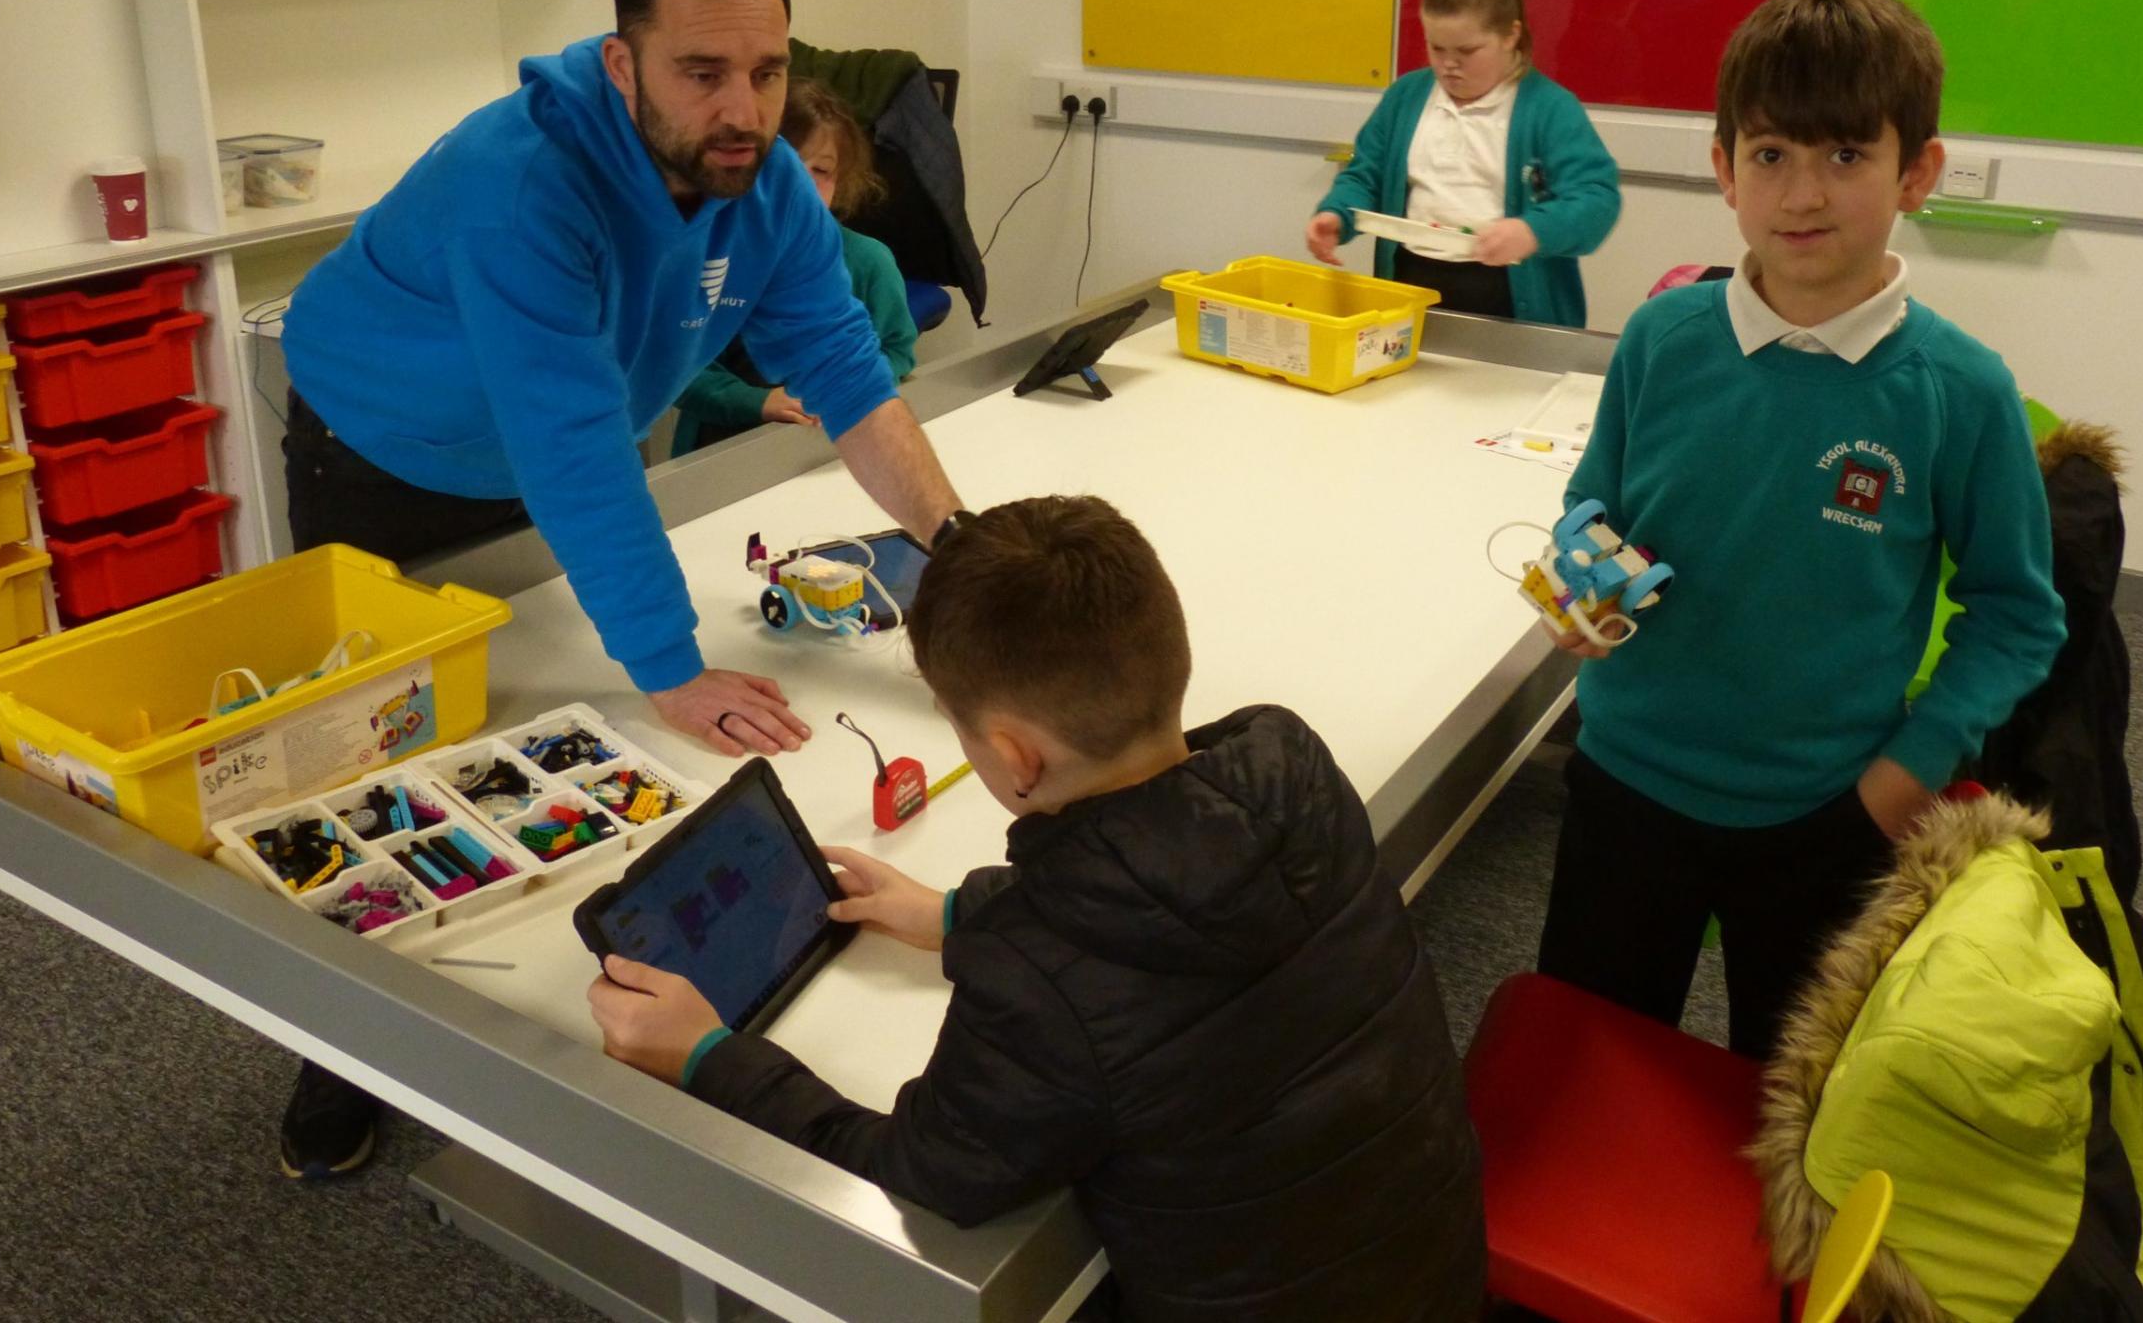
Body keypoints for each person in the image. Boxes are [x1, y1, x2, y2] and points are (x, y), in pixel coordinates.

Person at [275, 0, 975, 1179]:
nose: (745, 110)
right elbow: (575, 445)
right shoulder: (522, 184)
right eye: (702, 71)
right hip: (388, 457)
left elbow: (849, 372)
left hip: (547, 446)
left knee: (555, 756)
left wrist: (964, 554)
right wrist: (667, 662)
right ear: (622, 61)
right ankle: (338, 1055)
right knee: (374, 765)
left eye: (766, 72)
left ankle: (536, 1005)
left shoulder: (760, 183)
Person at [588, 496, 1485, 1323]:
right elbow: (1165, 858)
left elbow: (923, 1174)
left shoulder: (1036, 980)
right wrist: (951, 913)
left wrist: (708, 1057)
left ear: (1015, 757)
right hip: (1428, 1270)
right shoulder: (1289, 766)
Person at [1534, 0, 2066, 1062]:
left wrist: (1901, 779)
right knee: (1591, 1072)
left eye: (1845, 156)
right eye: (1771, 155)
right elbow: (1594, 503)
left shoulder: (1960, 391)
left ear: (1916, 170)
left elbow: (2016, 615)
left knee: (1783, 1111)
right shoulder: (1662, 337)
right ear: (1724, 167)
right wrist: (1580, 573)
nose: (1803, 194)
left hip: (1826, 815)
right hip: (1626, 781)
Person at [1307, 0, 1619, 325]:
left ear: (1510, 36)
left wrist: (1532, 230)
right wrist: (1336, 214)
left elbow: (1596, 199)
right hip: (1411, 290)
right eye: (1436, 48)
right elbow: (1365, 175)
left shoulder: (1550, 108)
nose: (1449, 65)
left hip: (1511, 306)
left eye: (1467, 51)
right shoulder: (1406, 97)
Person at [670, 78, 917, 454]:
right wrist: (759, 402)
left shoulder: (869, 262)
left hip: (828, 445)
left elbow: (898, 350)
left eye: (821, 171)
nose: (801, 185)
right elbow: (681, 373)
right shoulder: (705, 259)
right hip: (722, 448)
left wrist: (847, 386)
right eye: (784, 167)